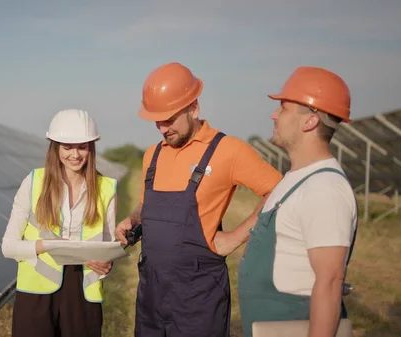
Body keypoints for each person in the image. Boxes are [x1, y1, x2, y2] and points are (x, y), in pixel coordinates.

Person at [114, 62, 283, 337]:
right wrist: (133, 219)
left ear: (194, 108)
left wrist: (235, 237)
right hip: (151, 295)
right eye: (156, 120)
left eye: (169, 119)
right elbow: (148, 204)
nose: (161, 128)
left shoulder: (229, 150)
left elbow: (280, 189)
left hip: (198, 296)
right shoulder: (152, 155)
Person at [237, 66, 358, 337]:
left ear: (310, 121)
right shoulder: (296, 178)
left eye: (283, 108)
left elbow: (329, 282)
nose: (274, 114)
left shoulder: (324, 189)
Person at [1, 109, 118, 337]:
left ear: (91, 147)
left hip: (83, 293)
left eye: (82, 146)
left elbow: (108, 247)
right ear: (54, 148)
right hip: (35, 291)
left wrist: (106, 265)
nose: (75, 154)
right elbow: (8, 246)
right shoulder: (33, 182)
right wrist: (47, 246)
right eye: (67, 147)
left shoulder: (107, 188)